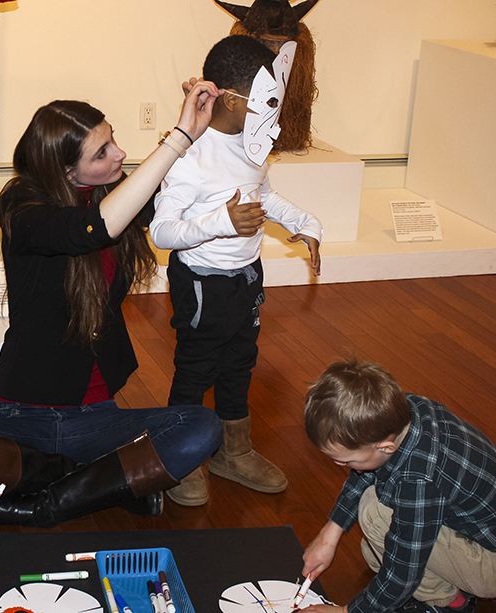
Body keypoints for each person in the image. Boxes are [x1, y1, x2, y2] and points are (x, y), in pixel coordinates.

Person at [0, 81, 236, 526]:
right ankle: (96, 483)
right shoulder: (20, 206)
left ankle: (44, 503)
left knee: (203, 427)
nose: (119, 154)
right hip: (21, 414)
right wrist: (179, 137)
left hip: (96, 416)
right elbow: (93, 229)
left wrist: (207, 124)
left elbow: (179, 196)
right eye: (101, 153)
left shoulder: (112, 192)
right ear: (66, 171)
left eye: (112, 139)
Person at [149, 35, 322, 503]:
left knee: (240, 363)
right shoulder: (190, 157)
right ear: (231, 99)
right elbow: (161, 232)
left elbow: (263, 194)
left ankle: (234, 452)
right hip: (203, 283)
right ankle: (180, 458)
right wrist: (220, 222)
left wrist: (304, 222)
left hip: (246, 277)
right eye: (268, 101)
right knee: (195, 369)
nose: (275, 113)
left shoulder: (252, 144)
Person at [299, 360, 496, 613]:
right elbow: (366, 472)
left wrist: (346, 611)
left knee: (375, 516)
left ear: (386, 447)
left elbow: (402, 574)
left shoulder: (419, 479)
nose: (341, 466)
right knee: (373, 552)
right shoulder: (405, 411)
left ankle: (450, 603)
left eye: (346, 461)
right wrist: (329, 535)